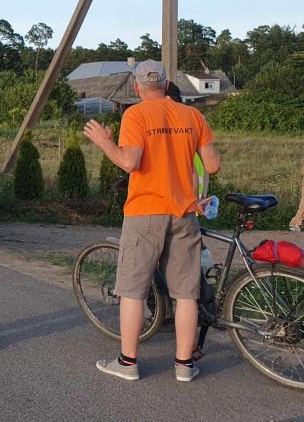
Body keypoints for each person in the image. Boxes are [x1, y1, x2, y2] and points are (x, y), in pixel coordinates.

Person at [84, 60, 220, 382]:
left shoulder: (136, 114)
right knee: (186, 293)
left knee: (132, 290)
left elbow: (130, 162)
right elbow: (212, 165)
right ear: (166, 82)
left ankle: (128, 362)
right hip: (184, 213)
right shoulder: (193, 115)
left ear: (136, 87)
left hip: (145, 212)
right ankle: (184, 366)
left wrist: (105, 142)